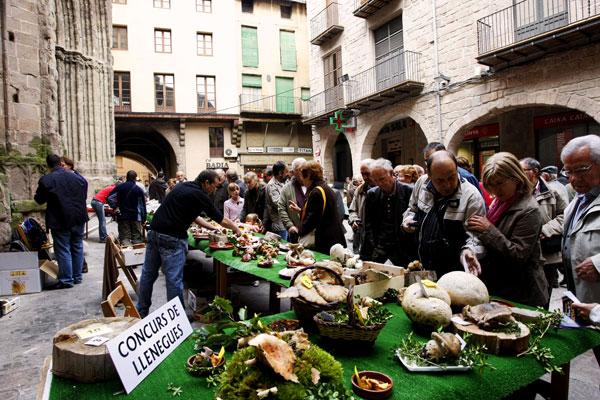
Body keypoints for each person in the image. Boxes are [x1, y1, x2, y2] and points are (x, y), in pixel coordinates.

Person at [137, 170, 241, 317]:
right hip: (172, 237)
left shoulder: (183, 186)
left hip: (154, 232)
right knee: (174, 280)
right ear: (206, 183)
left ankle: (140, 312)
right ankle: (177, 318)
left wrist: (212, 228)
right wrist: (236, 229)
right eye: (215, 186)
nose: (215, 189)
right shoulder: (200, 195)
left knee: (148, 274)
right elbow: (221, 219)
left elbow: (194, 216)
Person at [467, 152, 548, 308]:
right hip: (500, 288)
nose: (496, 190)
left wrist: (489, 229)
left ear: (516, 177)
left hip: (522, 294)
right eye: (491, 185)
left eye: (500, 183)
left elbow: (518, 255)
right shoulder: (500, 202)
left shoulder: (529, 210)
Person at [403, 151, 486, 277]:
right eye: (440, 180)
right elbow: (412, 209)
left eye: (451, 177)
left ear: (457, 169)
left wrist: (470, 250)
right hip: (423, 266)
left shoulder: (471, 196)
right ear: (429, 174)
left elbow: (476, 237)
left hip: (453, 273)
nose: (447, 185)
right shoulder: (421, 183)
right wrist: (407, 220)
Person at [34, 154, 88, 289]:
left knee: (63, 249)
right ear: (60, 163)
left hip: (60, 218)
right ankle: (77, 277)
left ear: (48, 165)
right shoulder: (77, 177)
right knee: (77, 246)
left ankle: (66, 280)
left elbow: (39, 199)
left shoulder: (47, 179)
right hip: (78, 217)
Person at [561, 134, 600, 304]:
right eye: (568, 172)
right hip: (582, 300)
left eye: (581, 170)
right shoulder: (577, 201)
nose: (573, 179)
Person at [520, 157, 567, 294]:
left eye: (521, 170)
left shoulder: (553, 192)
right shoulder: (516, 191)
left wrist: (546, 230)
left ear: (534, 172)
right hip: (524, 254)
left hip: (547, 255)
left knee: (545, 294)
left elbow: (565, 216)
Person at [361, 158, 414, 266]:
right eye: (376, 180)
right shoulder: (372, 194)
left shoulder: (408, 191)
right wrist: (375, 247)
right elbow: (369, 224)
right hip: (380, 251)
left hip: (404, 252)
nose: (379, 183)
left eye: (382, 179)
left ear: (392, 174)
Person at [288, 160, 346, 254]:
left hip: (325, 241)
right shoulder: (325, 188)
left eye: (302, 176)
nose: (301, 180)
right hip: (333, 239)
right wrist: (301, 210)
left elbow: (312, 219)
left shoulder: (316, 192)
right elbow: (321, 212)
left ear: (309, 176)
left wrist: (299, 232)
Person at [109, 170, 147, 246]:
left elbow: (110, 198)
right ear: (135, 178)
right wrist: (143, 218)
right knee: (137, 240)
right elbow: (141, 206)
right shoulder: (138, 190)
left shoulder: (119, 187)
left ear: (126, 177)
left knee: (125, 239)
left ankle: (126, 256)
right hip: (135, 216)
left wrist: (115, 207)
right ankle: (136, 256)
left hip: (123, 216)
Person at [278, 158, 307, 243]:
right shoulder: (286, 188)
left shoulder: (312, 185)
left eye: (304, 168)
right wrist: (289, 225)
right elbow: (281, 208)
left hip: (313, 232)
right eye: (299, 169)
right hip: (296, 232)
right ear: (294, 172)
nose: (302, 171)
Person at [349, 159, 373, 254]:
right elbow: (352, 209)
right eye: (363, 174)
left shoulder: (383, 188)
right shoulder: (359, 190)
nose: (365, 177)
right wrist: (354, 220)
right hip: (363, 237)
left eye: (368, 174)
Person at [265, 161, 289, 240]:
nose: (288, 174)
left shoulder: (285, 181)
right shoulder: (272, 185)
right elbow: (278, 204)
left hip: (287, 223)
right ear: (280, 173)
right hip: (280, 226)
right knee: (282, 249)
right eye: (286, 172)